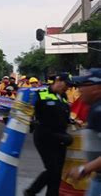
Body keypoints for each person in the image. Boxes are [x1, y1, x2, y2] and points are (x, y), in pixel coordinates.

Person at [24, 73, 73, 196]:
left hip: (61, 138)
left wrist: (71, 121)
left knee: (57, 173)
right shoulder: (40, 93)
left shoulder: (63, 96)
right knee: (53, 169)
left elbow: (63, 114)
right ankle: (31, 192)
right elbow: (27, 109)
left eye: (70, 85)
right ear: (57, 80)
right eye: (66, 84)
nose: (67, 87)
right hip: (45, 136)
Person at [67, 68, 101, 196]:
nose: (79, 89)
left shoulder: (99, 111)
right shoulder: (95, 108)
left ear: (97, 88)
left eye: (84, 85)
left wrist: (84, 169)